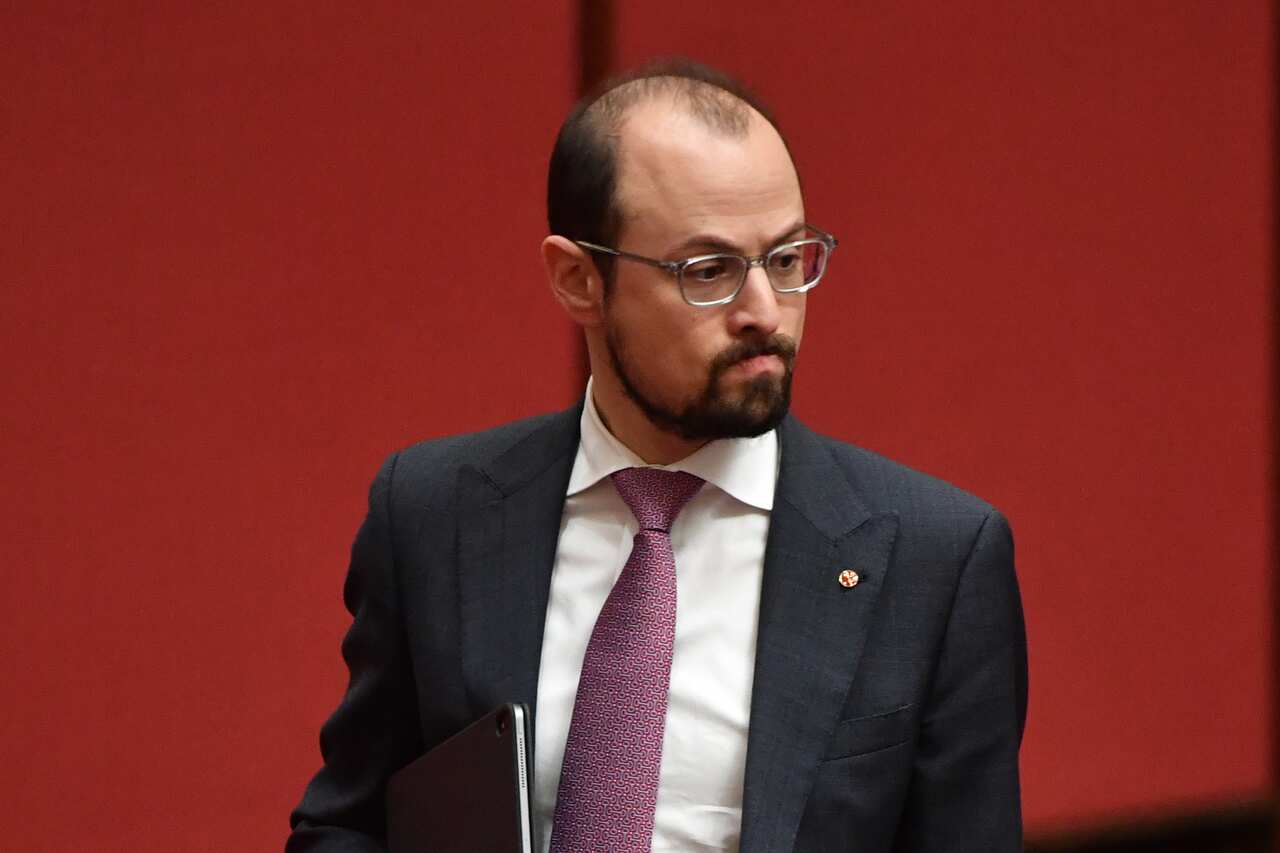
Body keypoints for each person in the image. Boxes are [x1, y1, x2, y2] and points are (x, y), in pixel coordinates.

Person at [287, 59, 1027, 853]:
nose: (763, 312)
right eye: (708, 271)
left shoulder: (935, 560)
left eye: (787, 260)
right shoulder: (432, 515)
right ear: (578, 280)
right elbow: (348, 824)